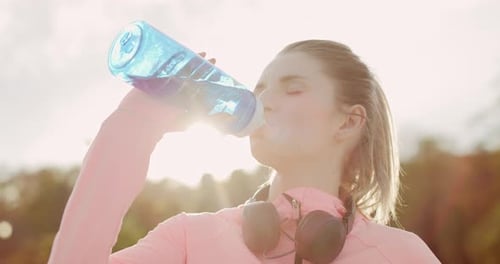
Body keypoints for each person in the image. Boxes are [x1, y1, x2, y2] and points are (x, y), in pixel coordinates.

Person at [48, 40, 441, 263]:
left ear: (349, 122)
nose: (265, 100)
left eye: (293, 88)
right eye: (260, 88)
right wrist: (135, 123)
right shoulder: (189, 237)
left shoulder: (400, 255)